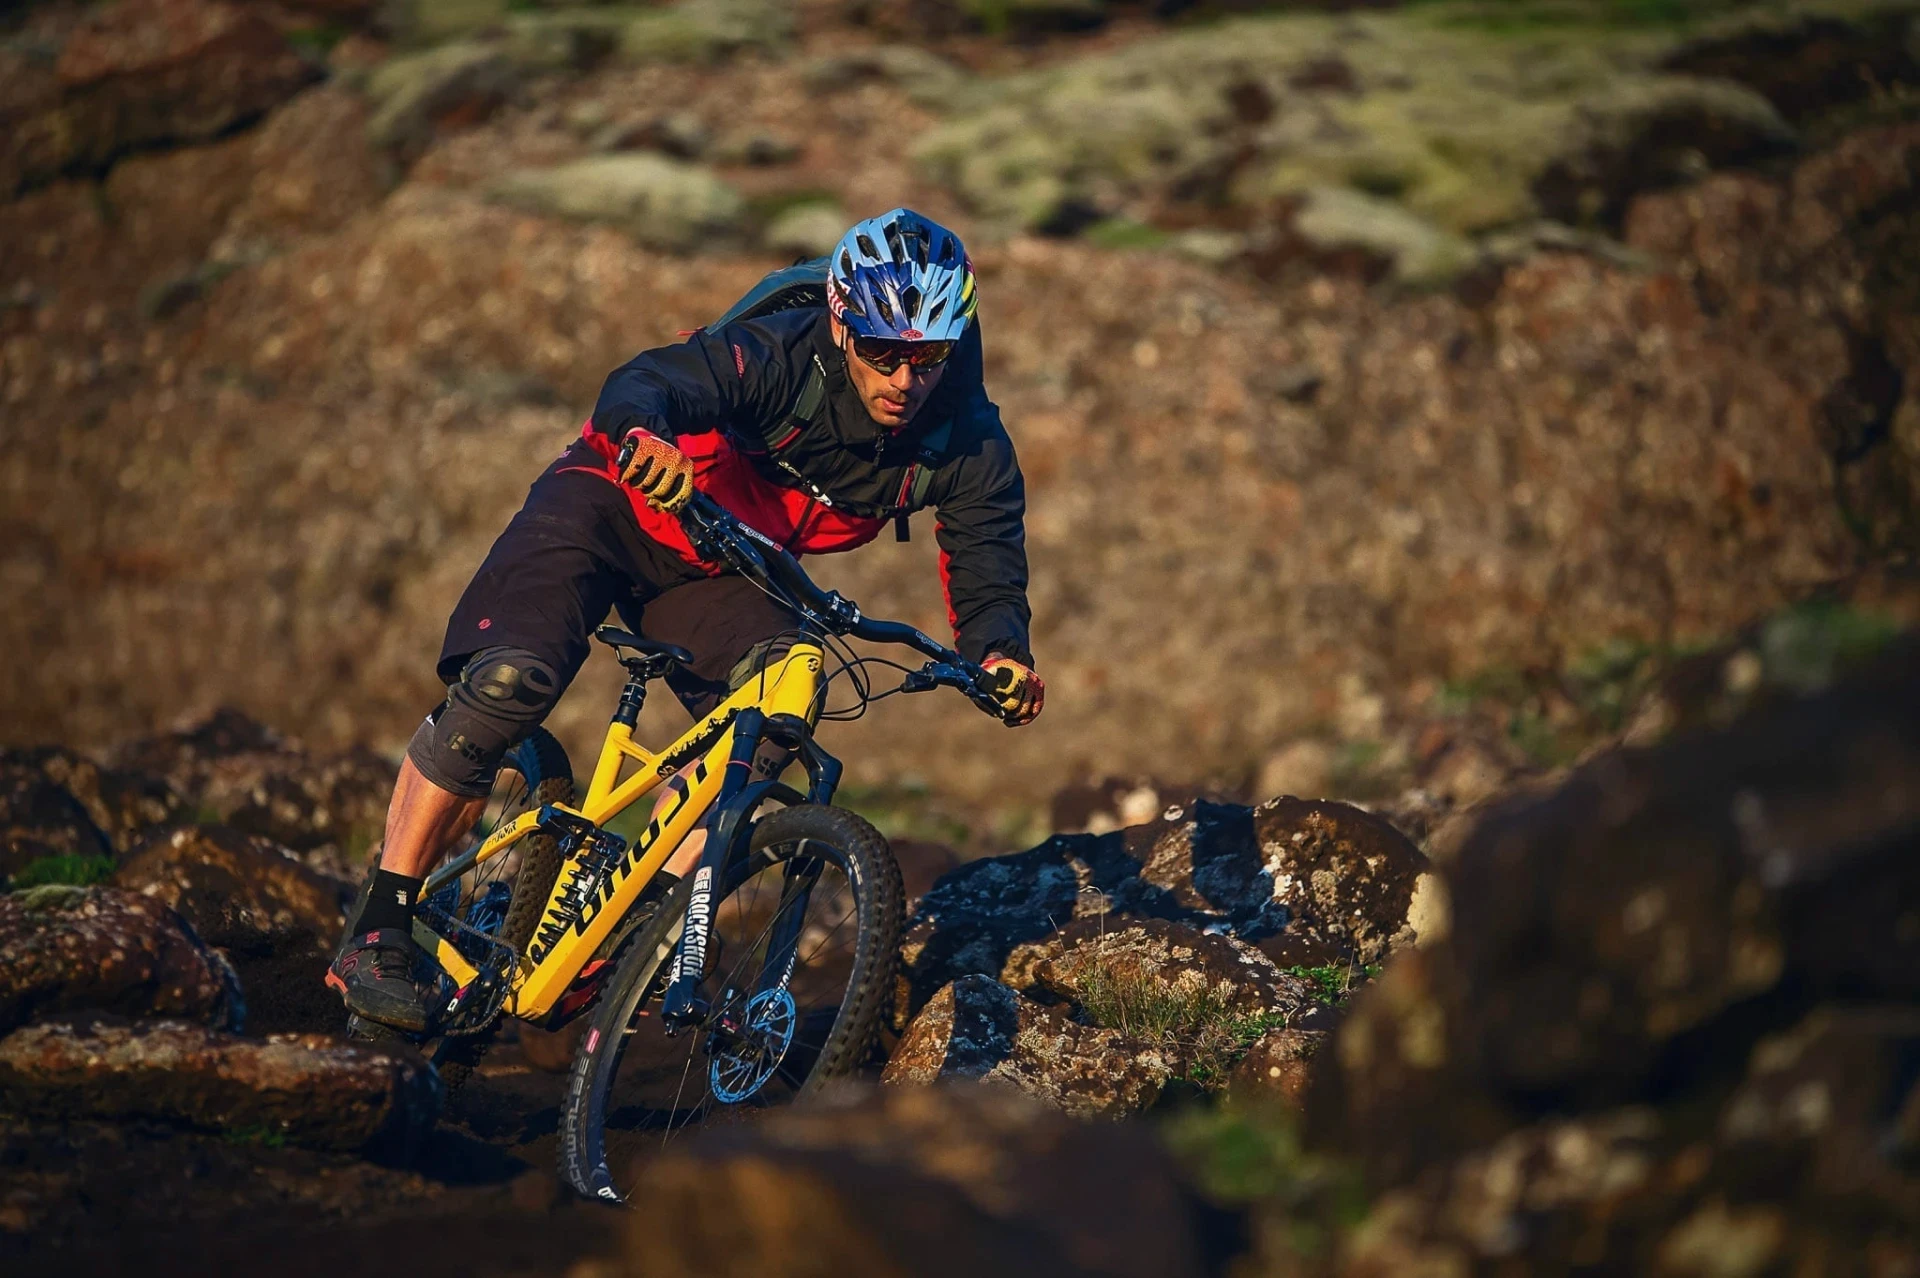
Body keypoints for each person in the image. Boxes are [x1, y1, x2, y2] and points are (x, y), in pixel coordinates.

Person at [327, 209, 1044, 1032]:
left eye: (928, 357)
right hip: (611, 505)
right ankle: (378, 924)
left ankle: (624, 936)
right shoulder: (779, 353)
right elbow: (649, 381)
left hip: (721, 570)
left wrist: (1001, 656)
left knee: (783, 704)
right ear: (842, 322)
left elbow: (989, 560)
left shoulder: (967, 442)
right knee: (508, 681)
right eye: (885, 352)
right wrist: (645, 438)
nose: (905, 379)